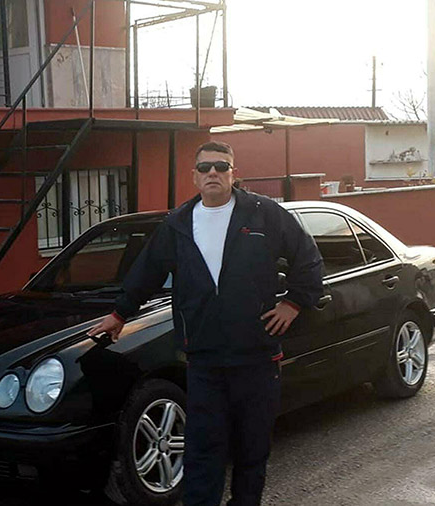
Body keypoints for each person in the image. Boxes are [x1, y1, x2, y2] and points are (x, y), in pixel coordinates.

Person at [87, 141, 324, 506]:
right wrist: (120, 314)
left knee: (252, 447)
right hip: (204, 359)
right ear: (194, 177)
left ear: (234, 174)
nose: (213, 173)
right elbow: (147, 272)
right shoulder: (178, 223)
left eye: (221, 166)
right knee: (203, 449)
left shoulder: (263, 214)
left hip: (256, 356)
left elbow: (308, 258)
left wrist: (293, 303)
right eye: (205, 168)